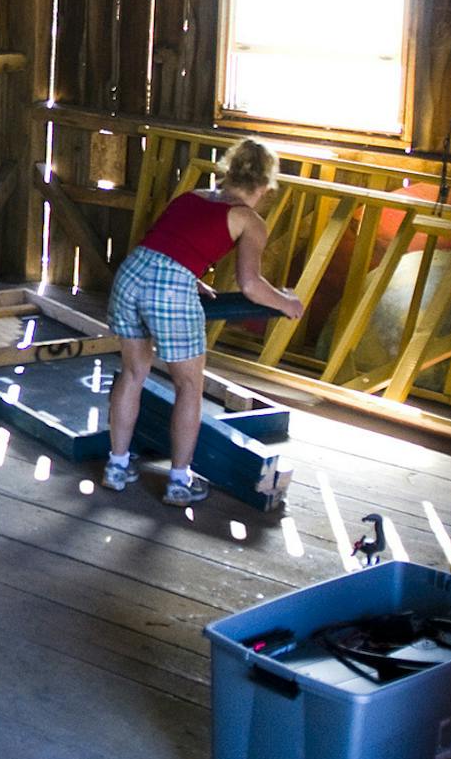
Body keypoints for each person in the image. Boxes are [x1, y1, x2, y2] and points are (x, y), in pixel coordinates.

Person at [102, 139, 302, 505]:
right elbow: (251, 285)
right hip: (169, 291)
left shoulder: (192, 196)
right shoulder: (249, 219)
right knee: (189, 387)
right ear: (264, 185)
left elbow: (167, 246)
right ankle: (179, 481)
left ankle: (116, 467)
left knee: (133, 374)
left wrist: (189, 276)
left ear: (228, 171)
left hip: (131, 275)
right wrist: (287, 303)